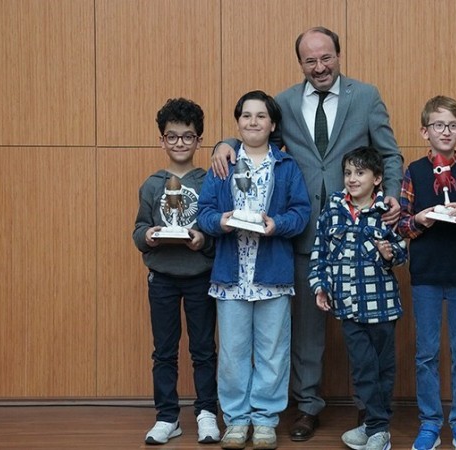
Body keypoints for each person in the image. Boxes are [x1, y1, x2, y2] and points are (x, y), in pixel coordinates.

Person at [211, 26, 403, 441]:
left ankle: (370, 411)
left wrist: (392, 194)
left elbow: (389, 153)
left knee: (366, 327)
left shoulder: (365, 96)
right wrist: (224, 143)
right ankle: (308, 405)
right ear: (300, 63)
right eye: (310, 60)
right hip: (303, 234)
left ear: (339, 55)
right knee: (306, 332)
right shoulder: (283, 102)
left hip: (360, 236)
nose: (319, 67)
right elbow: (257, 133)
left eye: (326, 57)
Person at [197, 90, 310, 450]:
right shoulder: (223, 163)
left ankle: (264, 419)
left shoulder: (286, 166)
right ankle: (236, 419)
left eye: (261, 116)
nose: (253, 122)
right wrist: (221, 221)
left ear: (273, 124)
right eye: (246, 115)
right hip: (231, 276)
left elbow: (301, 213)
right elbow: (204, 212)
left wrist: (278, 225)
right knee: (232, 353)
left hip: (272, 275)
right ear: (238, 122)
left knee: (272, 352)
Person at [397, 96, 456, 450]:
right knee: (427, 354)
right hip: (426, 275)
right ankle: (430, 423)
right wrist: (421, 219)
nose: (445, 132)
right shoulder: (415, 171)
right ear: (425, 132)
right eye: (438, 125)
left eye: (452, 126)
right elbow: (403, 225)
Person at [133, 98, 220, 445]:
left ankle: (207, 412)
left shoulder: (210, 182)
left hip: (200, 277)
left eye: (188, 136)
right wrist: (148, 236)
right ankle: (167, 416)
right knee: (164, 350)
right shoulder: (152, 184)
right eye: (172, 136)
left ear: (199, 140)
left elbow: (216, 231)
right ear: (162, 141)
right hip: (163, 278)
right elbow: (139, 229)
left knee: (204, 349)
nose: (180, 142)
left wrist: (203, 240)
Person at [308, 146, 407, 450]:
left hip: (382, 307)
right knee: (363, 367)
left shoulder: (386, 212)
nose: (352, 178)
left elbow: (401, 250)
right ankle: (376, 426)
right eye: (348, 172)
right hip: (348, 307)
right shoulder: (332, 209)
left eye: (360, 173)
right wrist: (320, 286)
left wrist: (390, 254)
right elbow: (319, 253)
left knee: (382, 368)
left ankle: (376, 427)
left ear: (377, 178)